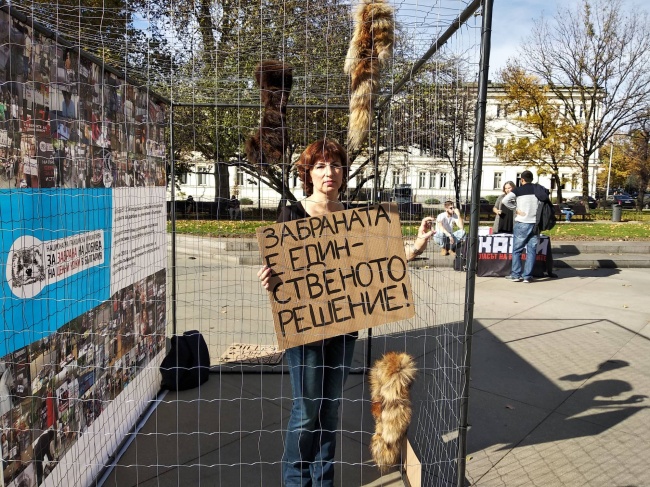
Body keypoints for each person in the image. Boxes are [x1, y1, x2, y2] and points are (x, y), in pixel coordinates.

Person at [257, 139, 434, 487]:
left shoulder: (353, 217)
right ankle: (296, 481)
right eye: (321, 166)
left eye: (336, 165)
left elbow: (378, 264)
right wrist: (269, 277)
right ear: (308, 172)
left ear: (344, 173)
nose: (330, 172)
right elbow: (278, 268)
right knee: (306, 411)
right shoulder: (292, 212)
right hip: (306, 330)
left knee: (331, 410)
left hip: (344, 325)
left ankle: (323, 481)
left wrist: (414, 248)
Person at [502, 170, 548, 283]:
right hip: (535, 224)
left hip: (522, 222)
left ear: (522, 179)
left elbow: (505, 200)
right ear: (532, 179)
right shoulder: (537, 189)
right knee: (531, 250)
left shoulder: (518, 190)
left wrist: (515, 209)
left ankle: (516, 275)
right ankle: (527, 276)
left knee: (517, 250)